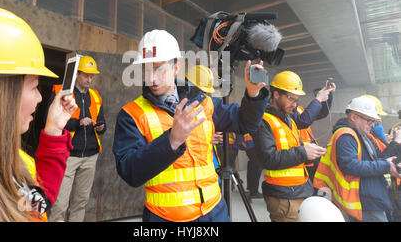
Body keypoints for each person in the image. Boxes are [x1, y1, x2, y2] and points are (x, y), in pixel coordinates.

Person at [112, 29, 269, 222]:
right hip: (166, 218)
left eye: (159, 68)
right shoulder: (131, 114)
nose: (152, 78)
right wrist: (171, 141)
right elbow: (130, 172)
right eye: (146, 69)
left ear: (176, 67)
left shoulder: (202, 101)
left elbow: (246, 123)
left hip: (214, 212)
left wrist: (253, 94)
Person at [0, 5, 77, 222]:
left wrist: (54, 130)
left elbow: (38, 203)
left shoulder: (14, 160)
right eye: (34, 86)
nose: (40, 98)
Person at [253, 70, 327, 222]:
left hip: (298, 190)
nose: (295, 104)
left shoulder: (288, 118)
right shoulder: (263, 120)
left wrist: (309, 152)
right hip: (283, 196)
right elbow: (268, 158)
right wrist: (303, 152)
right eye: (291, 99)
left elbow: (294, 142)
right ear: (275, 95)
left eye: (297, 100)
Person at [313, 96, 401, 222]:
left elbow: (378, 159)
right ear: (354, 117)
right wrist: (386, 166)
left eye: (374, 122)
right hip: (363, 201)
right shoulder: (346, 135)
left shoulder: (363, 135)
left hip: (370, 199)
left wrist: (392, 163)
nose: (372, 125)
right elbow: (350, 165)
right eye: (369, 121)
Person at [48, 55, 106, 222]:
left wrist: (100, 127)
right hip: (68, 156)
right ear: (77, 74)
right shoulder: (61, 93)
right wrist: (77, 123)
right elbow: (50, 122)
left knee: (80, 202)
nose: (89, 79)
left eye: (92, 76)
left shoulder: (95, 96)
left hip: (90, 156)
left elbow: (102, 123)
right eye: (86, 75)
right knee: (60, 204)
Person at [292, 83, 335, 184]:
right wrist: (318, 99)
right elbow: (304, 121)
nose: (295, 101)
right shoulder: (285, 113)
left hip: (310, 156)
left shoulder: (298, 110)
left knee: (313, 186)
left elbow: (322, 112)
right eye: (292, 97)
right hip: (300, 157)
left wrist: (327, 95)